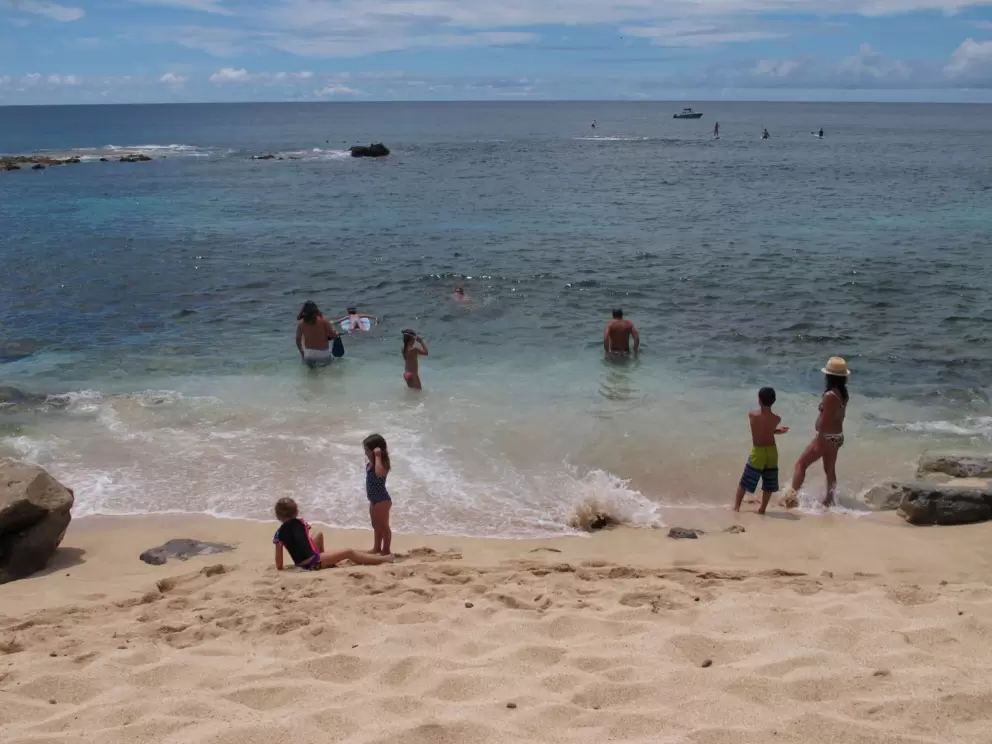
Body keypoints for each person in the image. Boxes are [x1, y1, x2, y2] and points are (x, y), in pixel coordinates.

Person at [783, 357, 850, 509]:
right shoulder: (843, 393)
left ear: (829, 376)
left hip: (825, 437)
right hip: (838, 436)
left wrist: (818, 428)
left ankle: (791, 498)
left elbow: (824, 421)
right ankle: (830, 499)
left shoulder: (829, 396)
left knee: (801, 464)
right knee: (830, 470)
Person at [272, 497, 391, 570]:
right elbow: (303, 541)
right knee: (348, 552)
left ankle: (326, 561)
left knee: (318, 535)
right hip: (312, 564)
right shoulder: (302, 523)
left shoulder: (278, 534)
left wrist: (284, 567)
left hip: (301, 563)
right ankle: (382, 560)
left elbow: (279, 564)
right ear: (296, 511)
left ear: (278, 516)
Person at [733, 387, 789, 515]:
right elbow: (769, 432)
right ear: (774, 401)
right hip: (771, 451)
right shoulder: (777, 419)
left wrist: (775, 431)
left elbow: (760, 430)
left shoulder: (753, 415)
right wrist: (780, 431)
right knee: (769, 482)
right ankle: (762, 509)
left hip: (758, 451)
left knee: (745, 481)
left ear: (759, 401)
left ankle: (736, 507)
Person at [362, 434, 392, 555]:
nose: (365, 453)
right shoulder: (371, 463)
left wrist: (378, 456)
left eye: (367, 450)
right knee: (375, 525)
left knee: (384, 526)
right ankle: (376, 547)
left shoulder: (382, 463)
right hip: (373, 500)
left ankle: (386, 549)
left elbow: (379, 473)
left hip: (382, 500)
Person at [295, 301, 338, 367]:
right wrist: (336, 333)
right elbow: (332, 335)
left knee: (311, 374)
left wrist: (302, 353)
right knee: (327, 372)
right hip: (323, 354)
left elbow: (298, 340)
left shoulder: (301, 323)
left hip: (309, 354)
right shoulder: (323, 320)